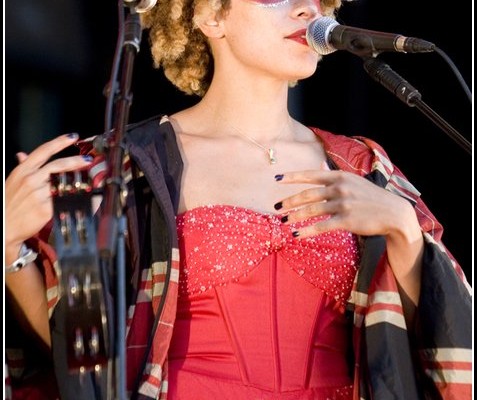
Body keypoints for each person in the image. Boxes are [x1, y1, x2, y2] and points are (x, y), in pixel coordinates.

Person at [4, 0, 472, 398]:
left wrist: (405, 231)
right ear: (211, 15)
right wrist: (8, 246)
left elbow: (427, 343)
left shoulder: (362, 165)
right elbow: (80, 356)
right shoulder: (131, 166)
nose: (309, 8)